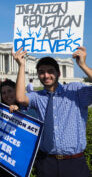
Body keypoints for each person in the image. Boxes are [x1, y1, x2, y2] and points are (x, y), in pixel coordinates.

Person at [13, 46, 92, 177]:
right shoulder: (37, 97)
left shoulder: (75, 90)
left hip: (74, 162)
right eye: (41, 72)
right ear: (38, 75)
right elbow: (20, 98)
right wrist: (21, 66)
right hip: (47, 162)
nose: (46, 75)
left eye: (50, 71)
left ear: (58, 73)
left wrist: (83, 65)